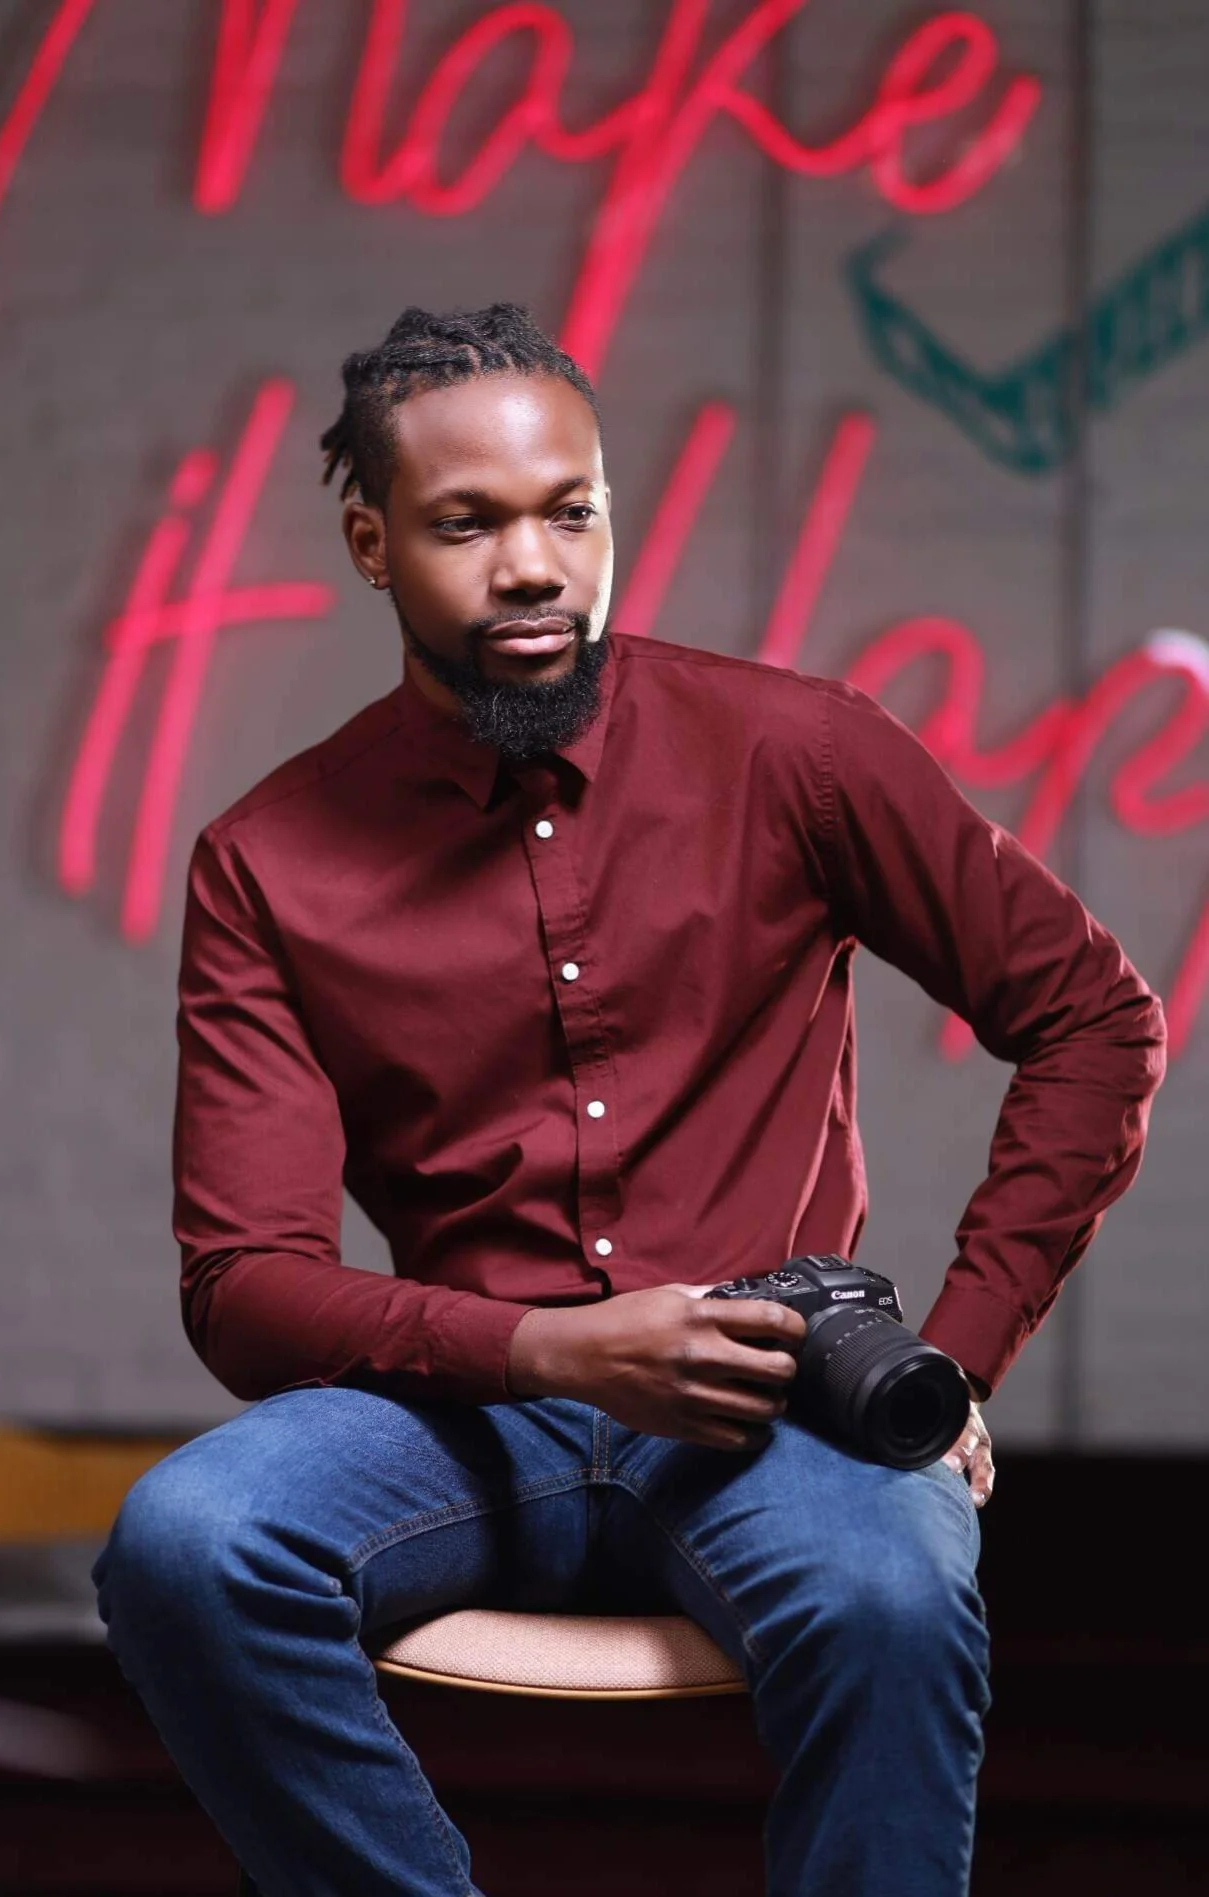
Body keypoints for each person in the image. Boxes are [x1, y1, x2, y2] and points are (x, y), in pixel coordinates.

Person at [92, 303, 1166, 1897]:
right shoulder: (267, 860)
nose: (535, 567)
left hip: (781, 1405)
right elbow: (243, 1291)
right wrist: (542, 1349)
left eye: (571, 511)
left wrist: (960, 1350)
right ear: (373, 543)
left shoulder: (799, 751)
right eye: (468, 524)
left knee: (894, 1595)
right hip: (458, 1421)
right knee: (186, 1546)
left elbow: (1092, 1015)